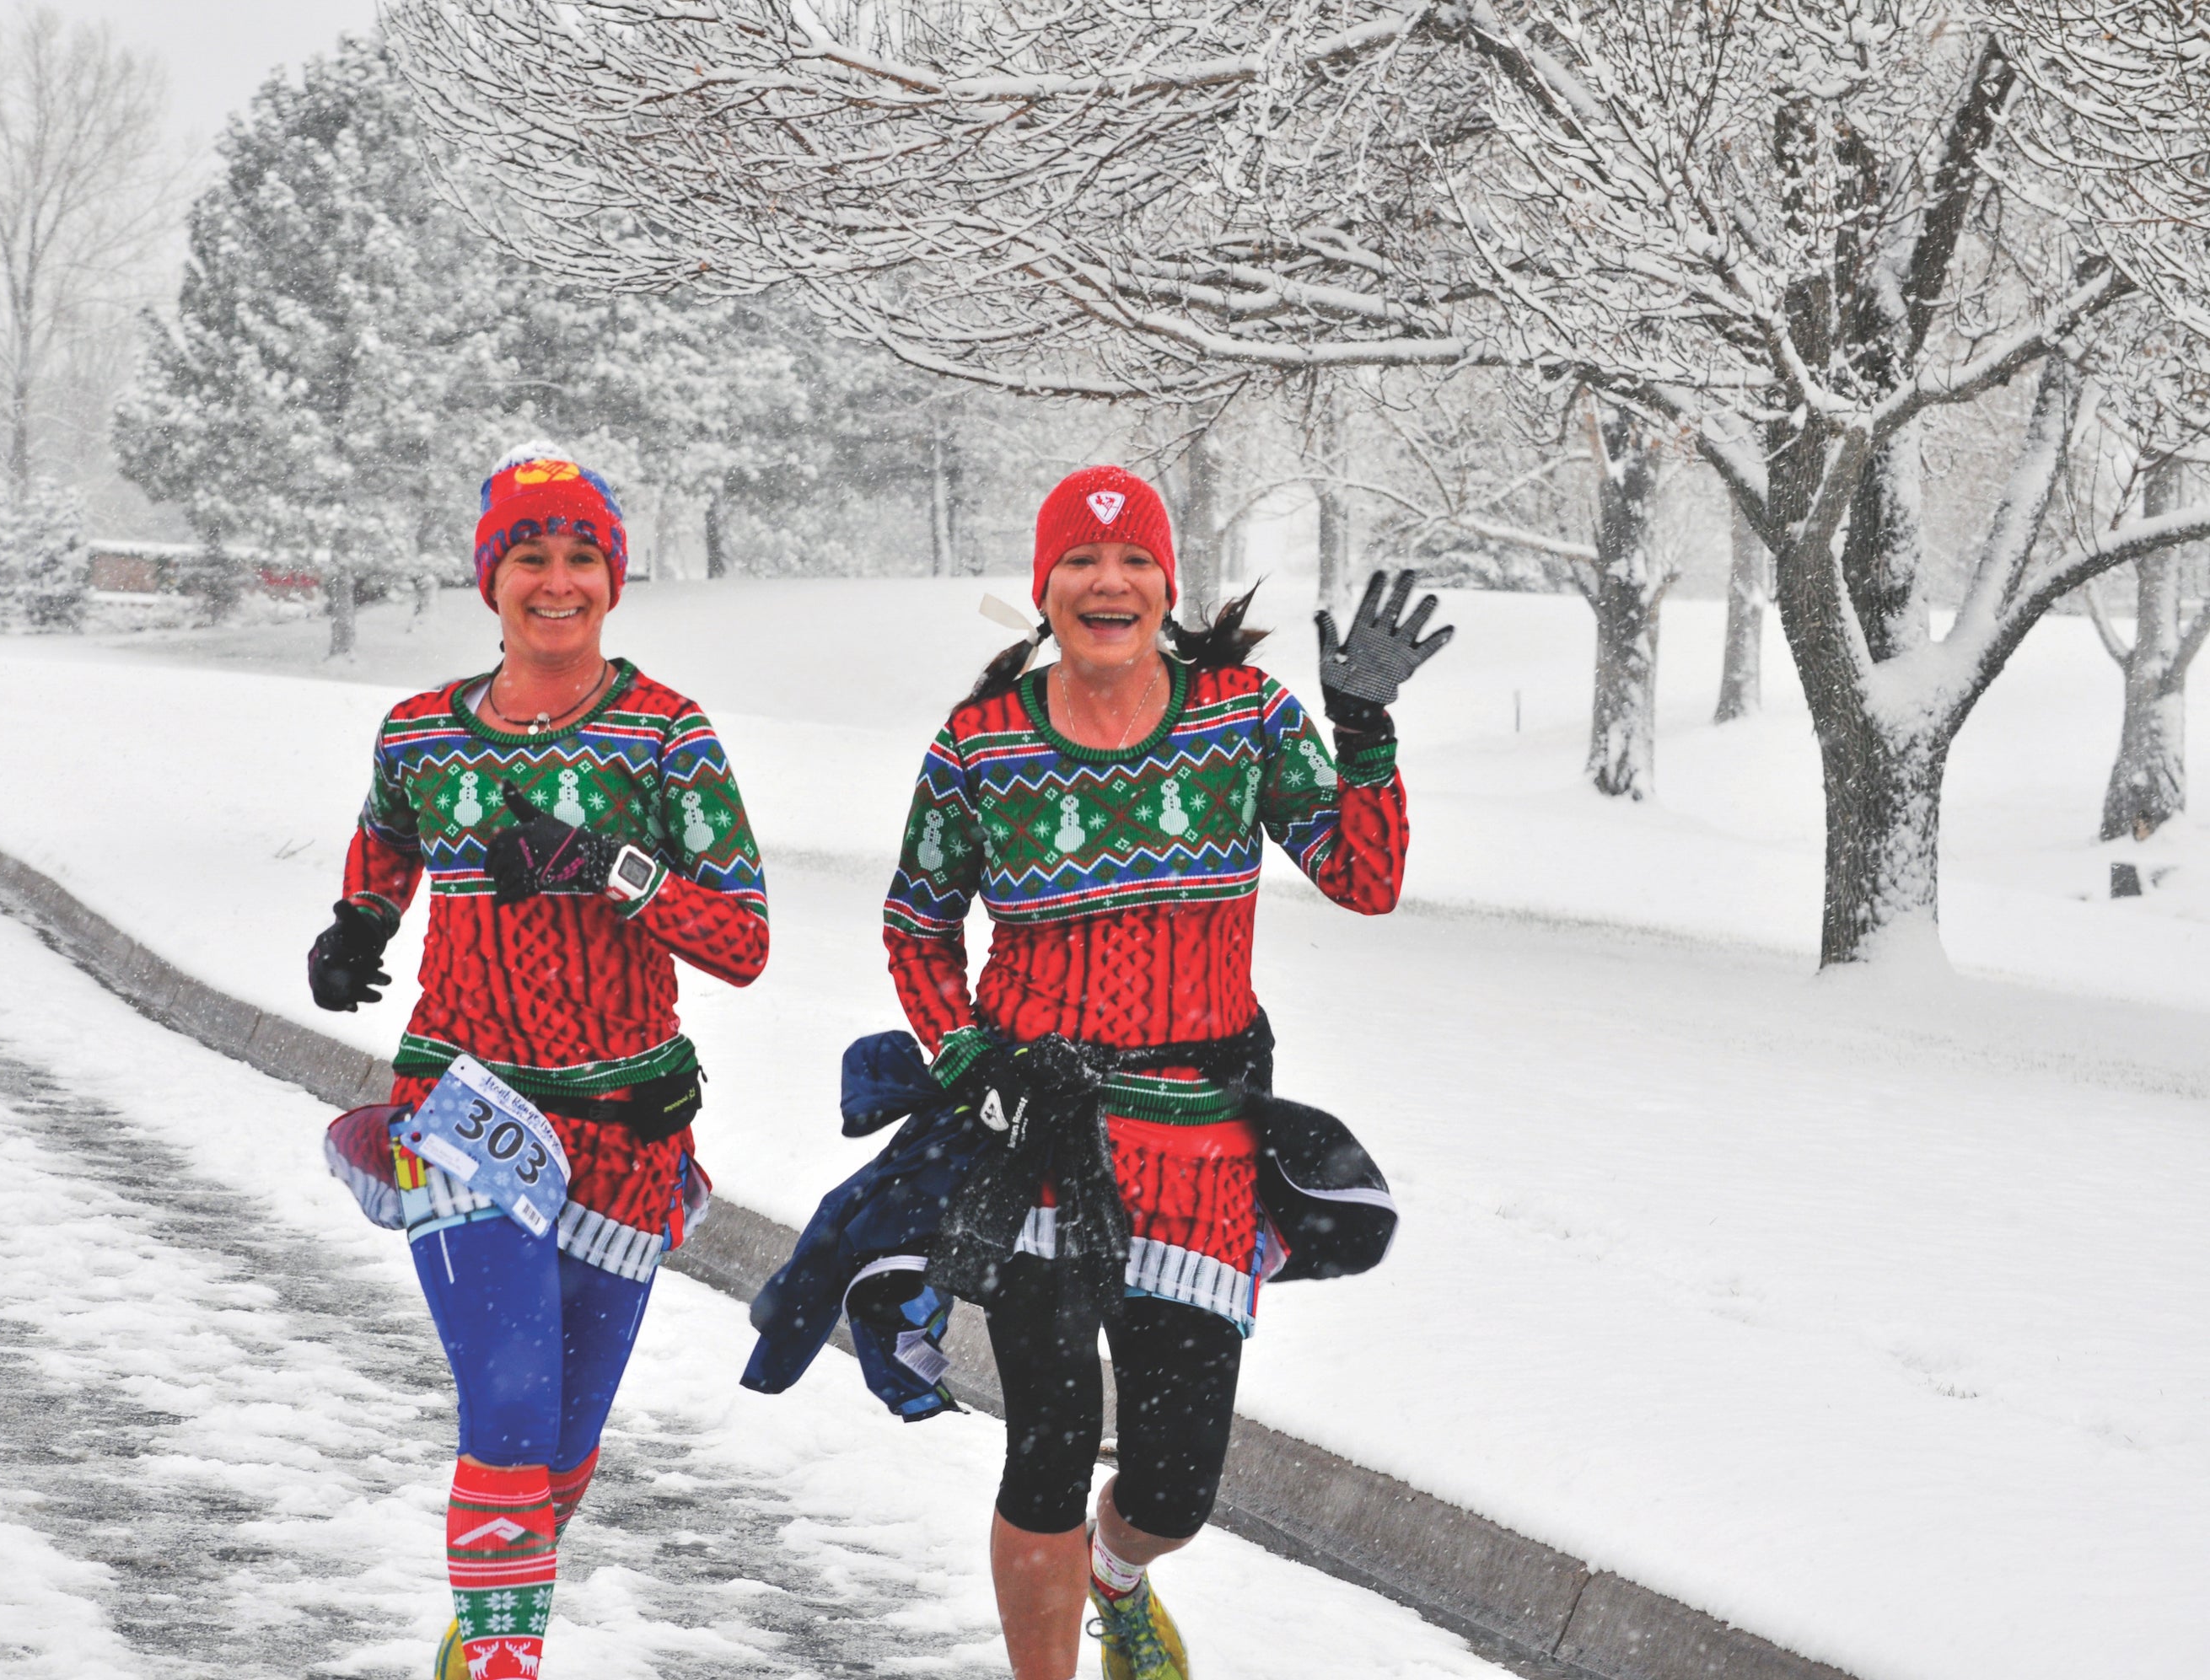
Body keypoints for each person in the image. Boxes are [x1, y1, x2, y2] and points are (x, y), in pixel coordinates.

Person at [880, 465, 1450, 1680]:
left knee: (1177, 1484)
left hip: (1202, 1148)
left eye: (1133, 560)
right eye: (1082, 563)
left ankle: (1119, 1566)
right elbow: (914, 927)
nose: (1109, 581)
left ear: (1164, 583)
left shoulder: (1242, 718)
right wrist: (977, 1059)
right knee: (1044, 1440)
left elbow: (1366, 876)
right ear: (1047, 589)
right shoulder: (979, 746)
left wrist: (1363, 731)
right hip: (1044, 1143)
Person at [307, 454, 770, 1680]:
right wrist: (358, 920)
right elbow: (386, 835)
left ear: (612, 577)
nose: (555, 582)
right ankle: (512, 1663)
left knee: (560, 1441)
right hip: (468, 1106)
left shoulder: (666, 732)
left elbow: (746, 941)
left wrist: (610, 867)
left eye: (580, 558)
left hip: (629, 1122)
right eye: (530, 557)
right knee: (508, 1406)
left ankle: (487, 1631)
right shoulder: (418, 732)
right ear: (490, 578)